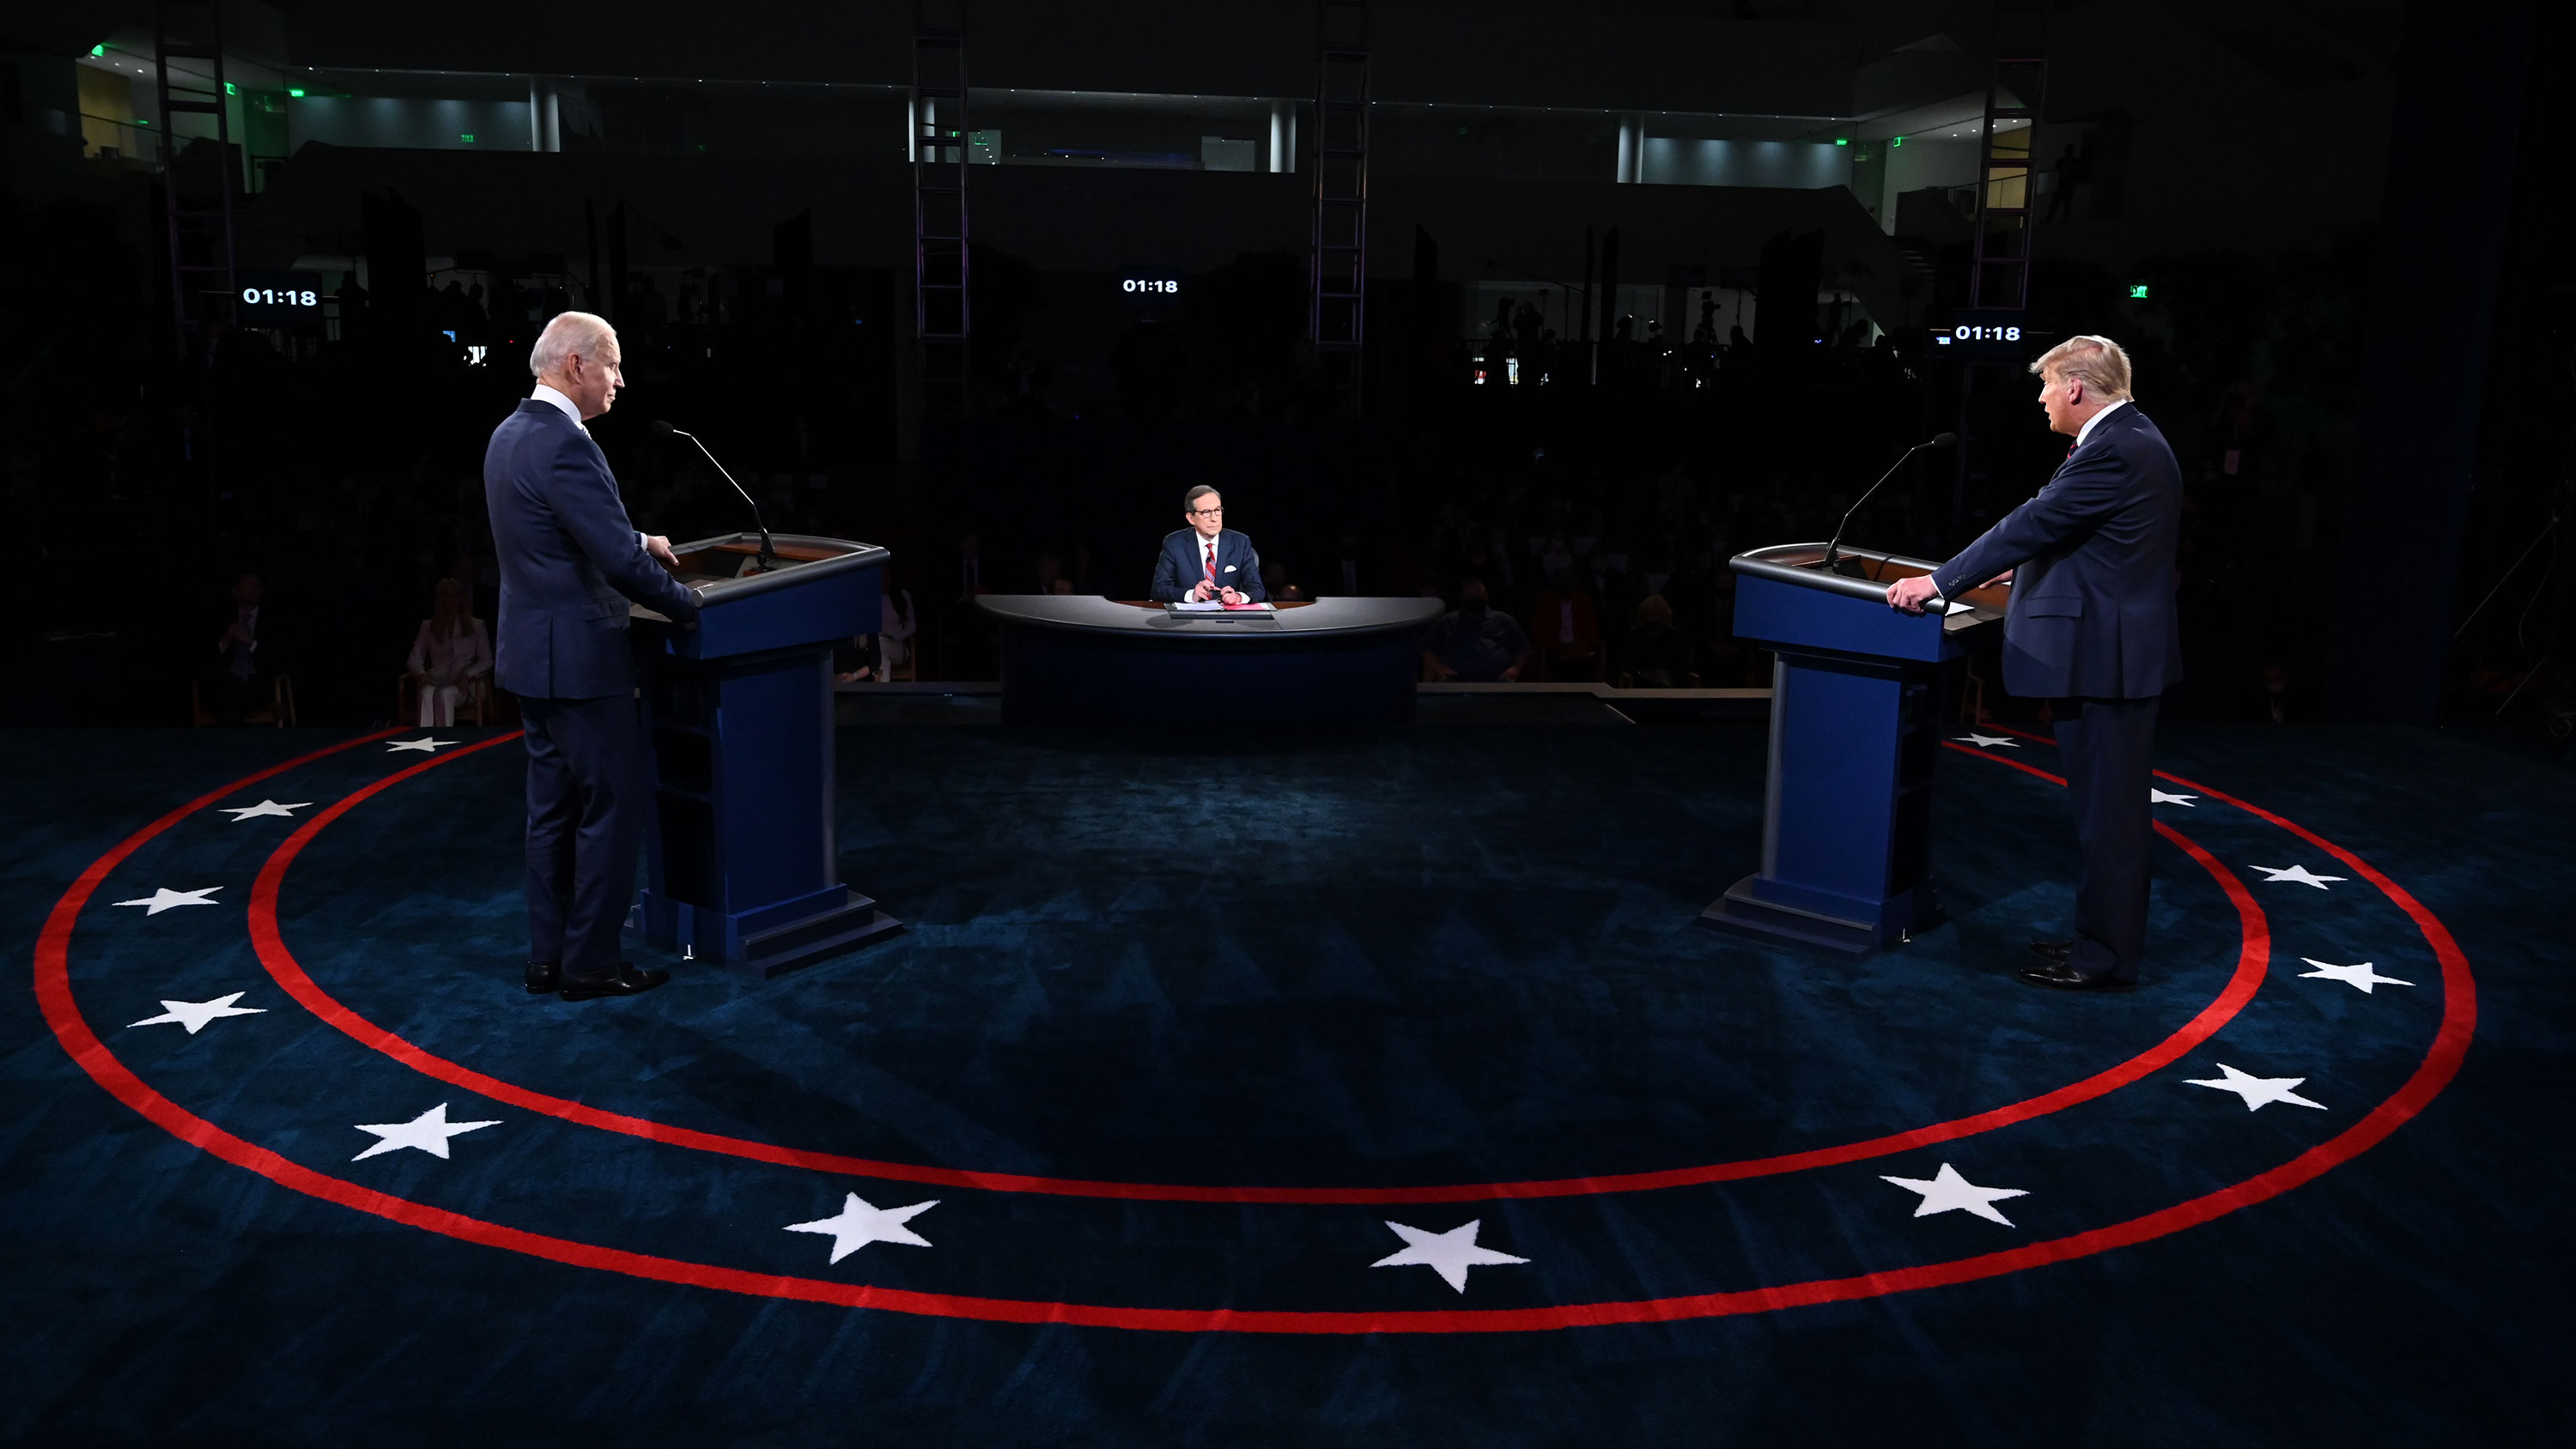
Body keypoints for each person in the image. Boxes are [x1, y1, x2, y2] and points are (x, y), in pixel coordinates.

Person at [1886, 335, 2182, 992]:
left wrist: (1940, 583)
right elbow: (2078, 538)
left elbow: (2034, 522)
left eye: (2047, 386)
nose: (2043, 400)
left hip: (2110, 663)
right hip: (2105, 656)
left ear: (2076, 387)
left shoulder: (2118, 449)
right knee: (2102, 815)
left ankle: (2106, 956)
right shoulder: (2125, 439)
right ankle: (2095, 940)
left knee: (2112, 819)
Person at [487, 310, 703, 1003]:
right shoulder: (569, 445)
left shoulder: (510, 434)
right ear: (575, 365)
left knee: (550, 813)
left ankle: (548, 959)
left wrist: (639, 537)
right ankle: (592, 964)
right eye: (610, 363)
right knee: (610, 809)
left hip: (530, 657)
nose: (620, 379)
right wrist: (690, 605)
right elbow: (611, 560)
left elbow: (558, 527)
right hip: (582, 659)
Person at [1151, 486, 1267, 603]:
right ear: (1191, 518)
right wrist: (1192, 595)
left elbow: (1257, 589)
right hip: (1188, 617)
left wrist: (1238, 597)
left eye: (1217, 510)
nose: (1214, 519)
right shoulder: (1174, 543)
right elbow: (1159, 590)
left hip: (1228, 618)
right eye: (1206, 512)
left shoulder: (1240, 543)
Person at [406, 576, 492, 726]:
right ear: (441, 599)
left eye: (457, 594)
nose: (454, 600)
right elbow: (414, 657)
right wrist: (421, 674)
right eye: (448, 595)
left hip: (467, 683)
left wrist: (468, 674)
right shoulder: (429, 626)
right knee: (427, 693)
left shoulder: (476, 625)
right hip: (438, 678)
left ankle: (445, 740)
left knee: (445, 695)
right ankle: (425, 740)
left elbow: (487, 660)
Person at [203, 572, 279, 724]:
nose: (254, 590)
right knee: (226, 691)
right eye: (248, 586)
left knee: (231, 700)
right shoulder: (221, 618)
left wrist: (251, 642)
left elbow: (276, 658)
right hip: (226, 682)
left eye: (257, 586)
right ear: (235, 591)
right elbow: (207, 657)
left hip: (257, 681)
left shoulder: (272, 619)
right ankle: (269, 704)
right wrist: (226, 639)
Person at [1420, 579, 1530, 682]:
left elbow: (1523, 648)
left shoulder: (1503, 620)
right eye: (1469, 596)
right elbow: (1426, 647)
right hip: (1456, 679)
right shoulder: (1448, 621)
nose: (1474, 599)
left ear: (1486, 596)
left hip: (1497, 679)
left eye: (1478, 595)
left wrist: (1515, 668)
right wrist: (1439, 668)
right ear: (1462, 598)